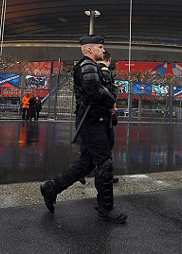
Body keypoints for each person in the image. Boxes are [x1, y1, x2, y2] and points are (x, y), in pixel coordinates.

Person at [40, 35, 127, 224]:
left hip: (97, 120)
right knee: (104, 163)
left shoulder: (94, 67)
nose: (103, 50)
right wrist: (111, 100)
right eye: (100, 46)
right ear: (89, 49)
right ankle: (106, 209)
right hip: (91, 122)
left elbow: (104, 89)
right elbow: (95, 92)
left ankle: (51, 188)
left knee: (86, 164)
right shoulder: (87, 66)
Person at [99, 50, 119, 184]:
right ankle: (106, 176)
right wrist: (113, 111)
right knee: (107, 145)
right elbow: (109, 94)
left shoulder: (93, 70)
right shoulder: (105, 72)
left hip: (95, 115)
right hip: (105, 115)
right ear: (109, 60)